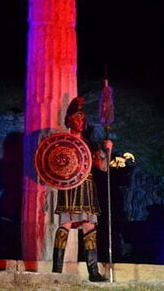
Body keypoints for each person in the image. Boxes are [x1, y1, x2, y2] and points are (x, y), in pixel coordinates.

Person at [52, 96, 112, 282]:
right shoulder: (62, 142)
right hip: (69, 187)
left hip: (87, 188)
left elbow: (103, 167)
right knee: (65, 225)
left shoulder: (91, 144)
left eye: (83, 118)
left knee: (89, 226)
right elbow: (53, 165)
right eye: (77, 118)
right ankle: (56, 271)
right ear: (70, 120)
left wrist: (107, 150)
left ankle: (93, 272)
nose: (80, 121)